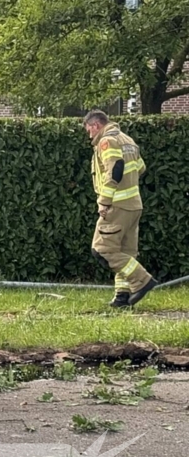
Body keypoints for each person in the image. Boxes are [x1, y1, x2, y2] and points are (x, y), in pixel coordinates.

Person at [83, 110, 156, 308]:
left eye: (88, 129)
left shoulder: (107, 142)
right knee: (125, 252)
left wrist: (105, 201)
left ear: (96, 125)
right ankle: (122, 297)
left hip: (117, 205)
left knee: (102, 250)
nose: (89, 134)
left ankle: (141, 280)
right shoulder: (128, 140)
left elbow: (115, 170)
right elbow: (140, 168)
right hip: (134, 204)